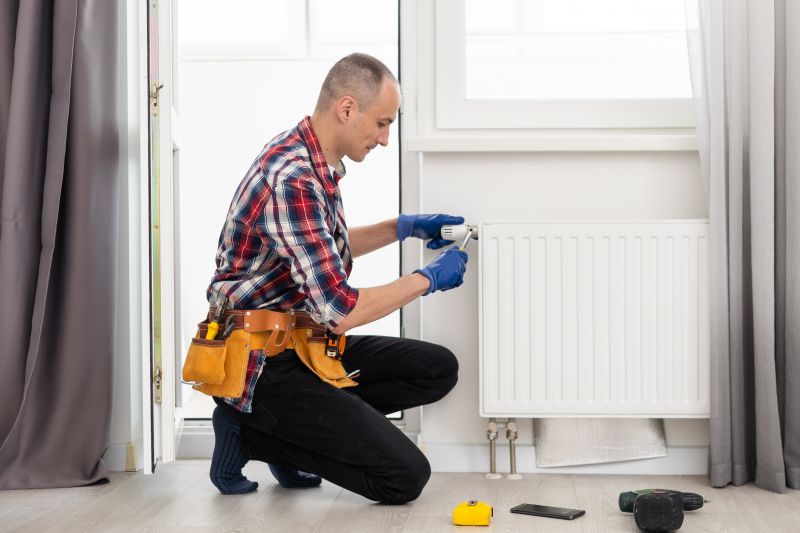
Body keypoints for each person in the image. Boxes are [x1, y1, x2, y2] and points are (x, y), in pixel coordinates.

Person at [206, 53, 469, 504]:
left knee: (436, 368)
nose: (386, 139)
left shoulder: (313, 159)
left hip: (302, 343)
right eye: (382, 123)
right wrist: (427, 279)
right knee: (405, 477)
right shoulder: (291, 177)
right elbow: (339, 309)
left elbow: (322, 249)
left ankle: (295, 433)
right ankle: (250, 433)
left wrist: (402, 227)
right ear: (347, 109)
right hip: (262, 364)